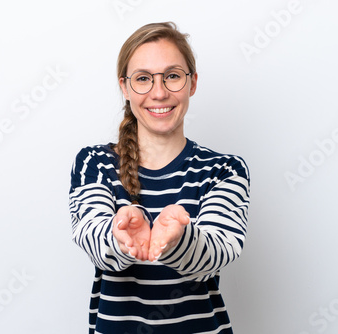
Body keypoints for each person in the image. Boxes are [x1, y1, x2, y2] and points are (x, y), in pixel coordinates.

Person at [69, 22, 250, 334]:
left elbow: (217, 252)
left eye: (172, 76)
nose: (159, 92)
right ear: (124, 87)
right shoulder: (94, 163)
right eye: (143, 79)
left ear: (192, 83)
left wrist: (179, 239)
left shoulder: (225, 170)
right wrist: (121, 238)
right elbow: (93, 238)